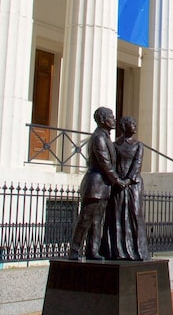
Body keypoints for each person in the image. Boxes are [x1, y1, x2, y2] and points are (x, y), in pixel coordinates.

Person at [69, 106, 128, 260]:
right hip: (95, 184)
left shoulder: (106, 137)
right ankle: (74, 250)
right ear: (102, 119)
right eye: (110, 116)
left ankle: (92, 250)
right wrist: (117, 181)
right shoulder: (99, 138)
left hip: (103, 186)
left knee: (97, 221)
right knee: (85, 219)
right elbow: (105, 163)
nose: (114, 119)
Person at [103, 116, 150, 261]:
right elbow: (110, 163)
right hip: (118, 185)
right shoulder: (114, 145)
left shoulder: (138, 145)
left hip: (133, 185)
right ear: (124, 126)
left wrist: (127, 181)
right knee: (116, 217)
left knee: (135, 215)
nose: (135, 126)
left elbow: (137, 165)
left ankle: (138, 250)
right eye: (132, 124)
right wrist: (117, 181)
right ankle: (118, 250)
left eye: (135, 124)